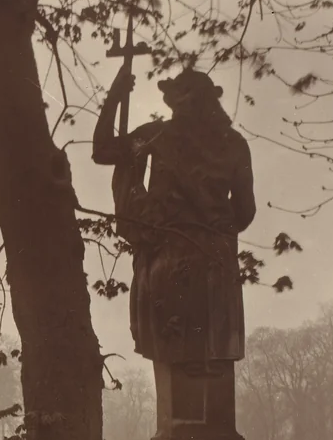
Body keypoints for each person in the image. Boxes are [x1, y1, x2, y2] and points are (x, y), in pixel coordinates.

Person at [92, 66, 257, 375]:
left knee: (175, 360)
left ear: (181, 101)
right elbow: (245, 211)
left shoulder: (157, 135)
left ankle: (180, 422)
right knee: (214, 361)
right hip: (216, 265)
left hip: (167, 259)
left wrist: (115, 96)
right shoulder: (235, 144)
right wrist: (214, 229)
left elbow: (102, 150)